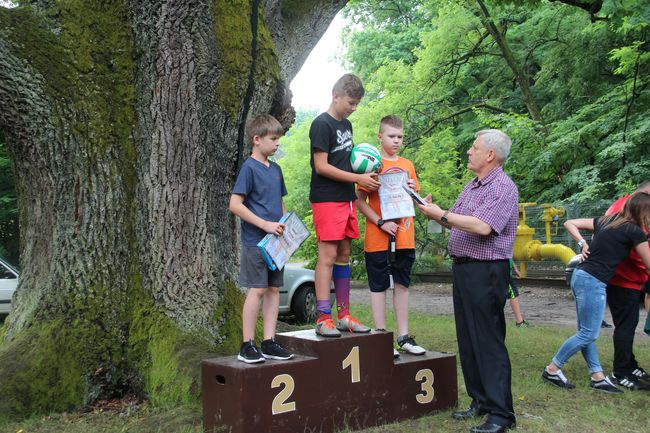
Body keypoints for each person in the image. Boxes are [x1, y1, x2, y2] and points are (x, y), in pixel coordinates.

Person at [418, 129, 518, 433]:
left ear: (490, 155)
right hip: (464, 269)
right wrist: (431, 211)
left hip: (486, 271)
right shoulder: (473, 186)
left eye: (474, 148)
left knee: (487, 340)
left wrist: (443, 215)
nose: (468, 152)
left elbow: (483, 226)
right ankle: (481, 401)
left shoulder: (502, 187)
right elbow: (454, 219)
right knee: (468, 337)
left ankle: (501, 414)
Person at [542, 191, 650, 393]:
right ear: (643, 212)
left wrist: (582, 243)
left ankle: (597, 376)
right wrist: (583, 244)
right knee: (588, 333)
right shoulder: (635, 231)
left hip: (580, 275)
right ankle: (552, 369)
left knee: (586, 330)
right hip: (593, 281)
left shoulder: (606, 221)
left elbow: (570, 223)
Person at [309, 74, 380, 337]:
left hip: (347, 199)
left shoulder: (347, 126)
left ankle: (344, 315)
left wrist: (371, 171)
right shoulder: (321, 124)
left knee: (344, 256)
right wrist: (358, 178)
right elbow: (322, 166)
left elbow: (346, 161)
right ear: (335, 95)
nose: (353, 107)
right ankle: (323, 317)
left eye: (356, 103)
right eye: (350, 102)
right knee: (326, 257)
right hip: (326, 198)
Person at [356, 115, 426, 358]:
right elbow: (358, 200)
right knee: (379, 286)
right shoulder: (371, 166)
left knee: (402, 285)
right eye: (391, 136)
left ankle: (403, 337)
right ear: (380, 136)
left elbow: (414, 197)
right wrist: (380, 222)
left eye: (400, 137)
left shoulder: (407, 164)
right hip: (378, 237)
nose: (396, 141)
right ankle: (381, 335)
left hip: (405, 235)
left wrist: (420, 197)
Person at [229, 114, 294, 363]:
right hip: (256, 243)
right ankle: (247, 345)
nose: (277, 143)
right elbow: (235, 204)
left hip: (277, 245)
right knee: (257, 289)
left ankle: (269, 342)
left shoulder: (276, 169)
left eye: (279, 139)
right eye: (273, 139)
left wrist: (287, 225)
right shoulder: (248, 168)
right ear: (257, 140)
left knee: (274, 289)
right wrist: (264, 224)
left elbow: (279, 202)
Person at [604, 180, 650, 390]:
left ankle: (629, 364)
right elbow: (632, 246)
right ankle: (621, 371)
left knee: (629, 324)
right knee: (626, 325)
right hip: (623, 279)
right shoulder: (626, 208)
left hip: (628, 278)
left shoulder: (625, 205)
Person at [508, 259, 529, 328]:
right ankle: (519, 322)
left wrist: (516, 269)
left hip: (505, 271)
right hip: (503, 272)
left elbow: (509, 255)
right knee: (513, 294)